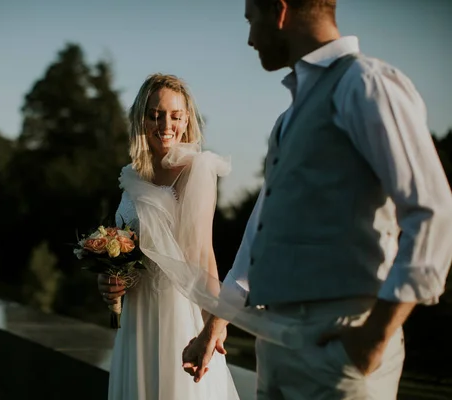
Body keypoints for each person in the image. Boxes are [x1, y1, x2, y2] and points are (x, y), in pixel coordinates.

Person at [181, 0, 452, 399]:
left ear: (279, 11)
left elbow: (432, 211)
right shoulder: (287, 119)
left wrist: (374, 337)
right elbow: (260, 236)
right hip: (274, 344)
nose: (251, 39)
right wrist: (217, 324)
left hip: (340, 347)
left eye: (251, 20)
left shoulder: (365, 84)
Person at [97, 73, 240, 400]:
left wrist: (213, 327)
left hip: (177, 317)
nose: (166, 125)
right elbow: (126, 251)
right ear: (141, 118)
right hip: (136, 322)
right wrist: (110, 284)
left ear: (187, 120)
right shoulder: (133, 174)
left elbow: (204, 255)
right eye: (155, 115)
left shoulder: (197, 170)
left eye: (175, 116)